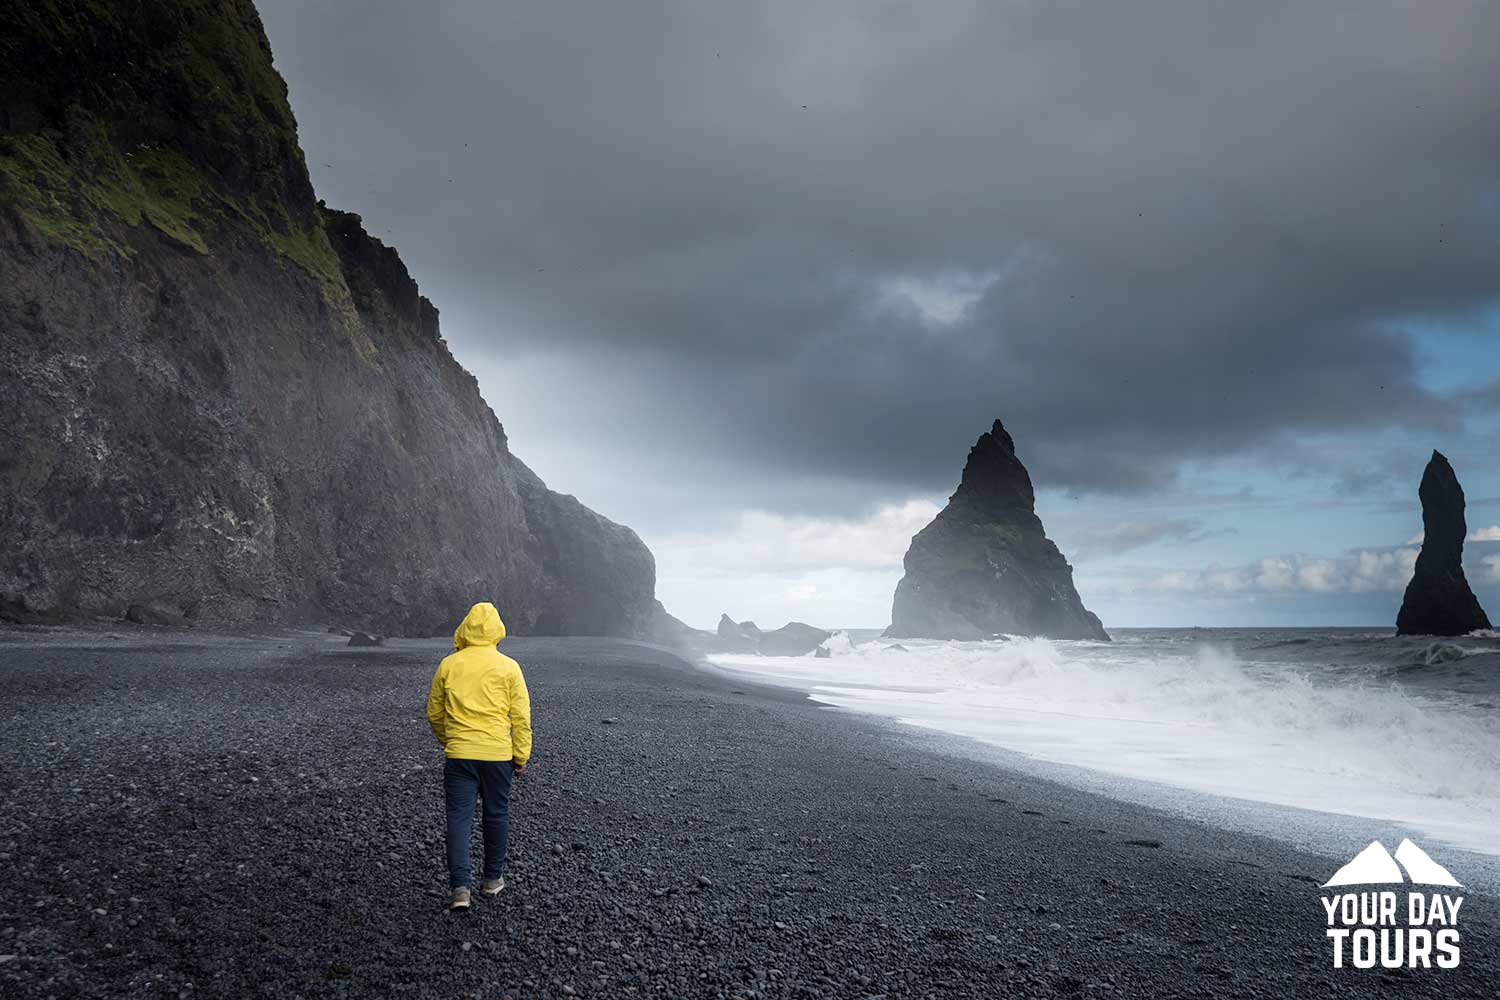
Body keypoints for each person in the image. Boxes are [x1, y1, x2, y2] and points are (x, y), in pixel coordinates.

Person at [426, 601, 532, 911]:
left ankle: (460, 889)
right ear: (496, 630)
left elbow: (434, 713)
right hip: (498, 755)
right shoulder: (509, 667)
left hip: (459, 753)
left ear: (466, 628)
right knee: (496, 813)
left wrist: (449, 740)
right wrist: (521, 755)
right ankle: (492, 880)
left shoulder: (449, 664)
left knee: (459, 818)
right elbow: (521, 716)